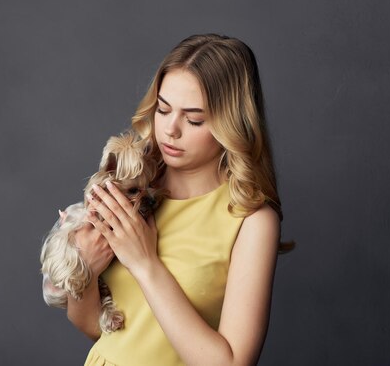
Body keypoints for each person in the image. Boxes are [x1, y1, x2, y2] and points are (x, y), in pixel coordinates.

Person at [67, 34, 291, 366]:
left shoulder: (251, 220)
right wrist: (84, 266)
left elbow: (231, 363)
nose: (171, 129)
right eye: (163, 108)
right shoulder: (133, 187)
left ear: (232, 122)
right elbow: (96, 329)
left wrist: (145, 264)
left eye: (194, 118)